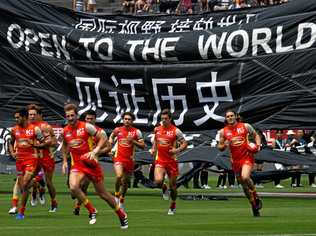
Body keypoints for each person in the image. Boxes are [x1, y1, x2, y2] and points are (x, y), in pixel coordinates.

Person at [61, 103, 128, 228]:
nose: (70, 118)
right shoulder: (65, 131)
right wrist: (65, 161)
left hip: (91, 165)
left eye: (72, 115)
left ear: (76, 115)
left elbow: (103, 138)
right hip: (77, 165)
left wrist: (95, 151)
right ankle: (92, 210)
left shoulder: (86, 127)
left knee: (103, 195)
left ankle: (121, 214)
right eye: (68, 116)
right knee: (73, 187)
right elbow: (65, 146)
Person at [217, 110, 262, 217]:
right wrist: (224, 145)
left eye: (232, 115)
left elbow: (256, 136)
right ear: (226, 119)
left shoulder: (245, 126)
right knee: (244, 187)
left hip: (247, 157)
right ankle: (253, 206)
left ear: (236, 116)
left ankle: (255, 195)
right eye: (228, 116)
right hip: (235, 161)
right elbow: (220, 147)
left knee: (245, 177)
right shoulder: (223, 132)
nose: (230, 117)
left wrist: (258, 146)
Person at [9, 108, 49, 219]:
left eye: (18, 117)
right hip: (19, 161)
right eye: (15, 118)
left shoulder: (34, 129)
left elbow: (44, 143)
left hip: (31, 159)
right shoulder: (14, 130)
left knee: (25, 183)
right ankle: (38, 184)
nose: (16, 119)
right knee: (23, 187)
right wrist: (12, 152)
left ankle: (21, 212)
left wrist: (35, 146)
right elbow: (11, 142)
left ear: (24, 117)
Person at [150, 109, 188, 215]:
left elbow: (185, 143)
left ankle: (173, 205)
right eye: (162, 119)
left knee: (173, 186)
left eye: (166, 119)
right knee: (158, 181)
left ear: (170, 119)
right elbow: (156, 141)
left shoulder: (176, 131)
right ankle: (163, 187)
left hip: (172, 161)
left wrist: (177, 150)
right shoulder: (157, 129)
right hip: (160, 160)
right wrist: (153, 149)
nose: (164, 121)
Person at [73, 109, 109, 215]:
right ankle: (79, 206)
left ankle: (81, 207)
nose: (89, 120)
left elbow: (108, 147)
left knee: (83, 185)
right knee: (79, 187)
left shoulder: (99, 132)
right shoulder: (81, 129)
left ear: (95, 119)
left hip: (91, 162)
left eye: (91, 119)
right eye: (87, 118)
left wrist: (95, 152)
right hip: (78, 161)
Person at [109, 112, 145, 210]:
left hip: (129, 160)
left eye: (129, 119)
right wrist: (110, 142)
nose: (127, 121)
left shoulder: (136, 132)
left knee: (125, 183)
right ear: (122, 120)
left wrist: (133, 141)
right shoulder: (118, 130)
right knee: (119, 176)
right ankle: (116, 195)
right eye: (125, 119)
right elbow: (111, 136)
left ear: (132, 121)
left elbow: (143, 146)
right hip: (119, 158)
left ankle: (122, 199)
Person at [27, 104, 58, 212]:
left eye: (34, 114)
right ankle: (35, 192)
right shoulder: (25, 126)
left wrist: (45, 145)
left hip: (46, 157)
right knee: (27, 180)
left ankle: (54, 202)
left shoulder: (45, 126)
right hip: (32, 158)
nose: (32, 117)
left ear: (40, 115)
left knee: (49, 182)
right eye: (30, 114)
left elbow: (54, 142)